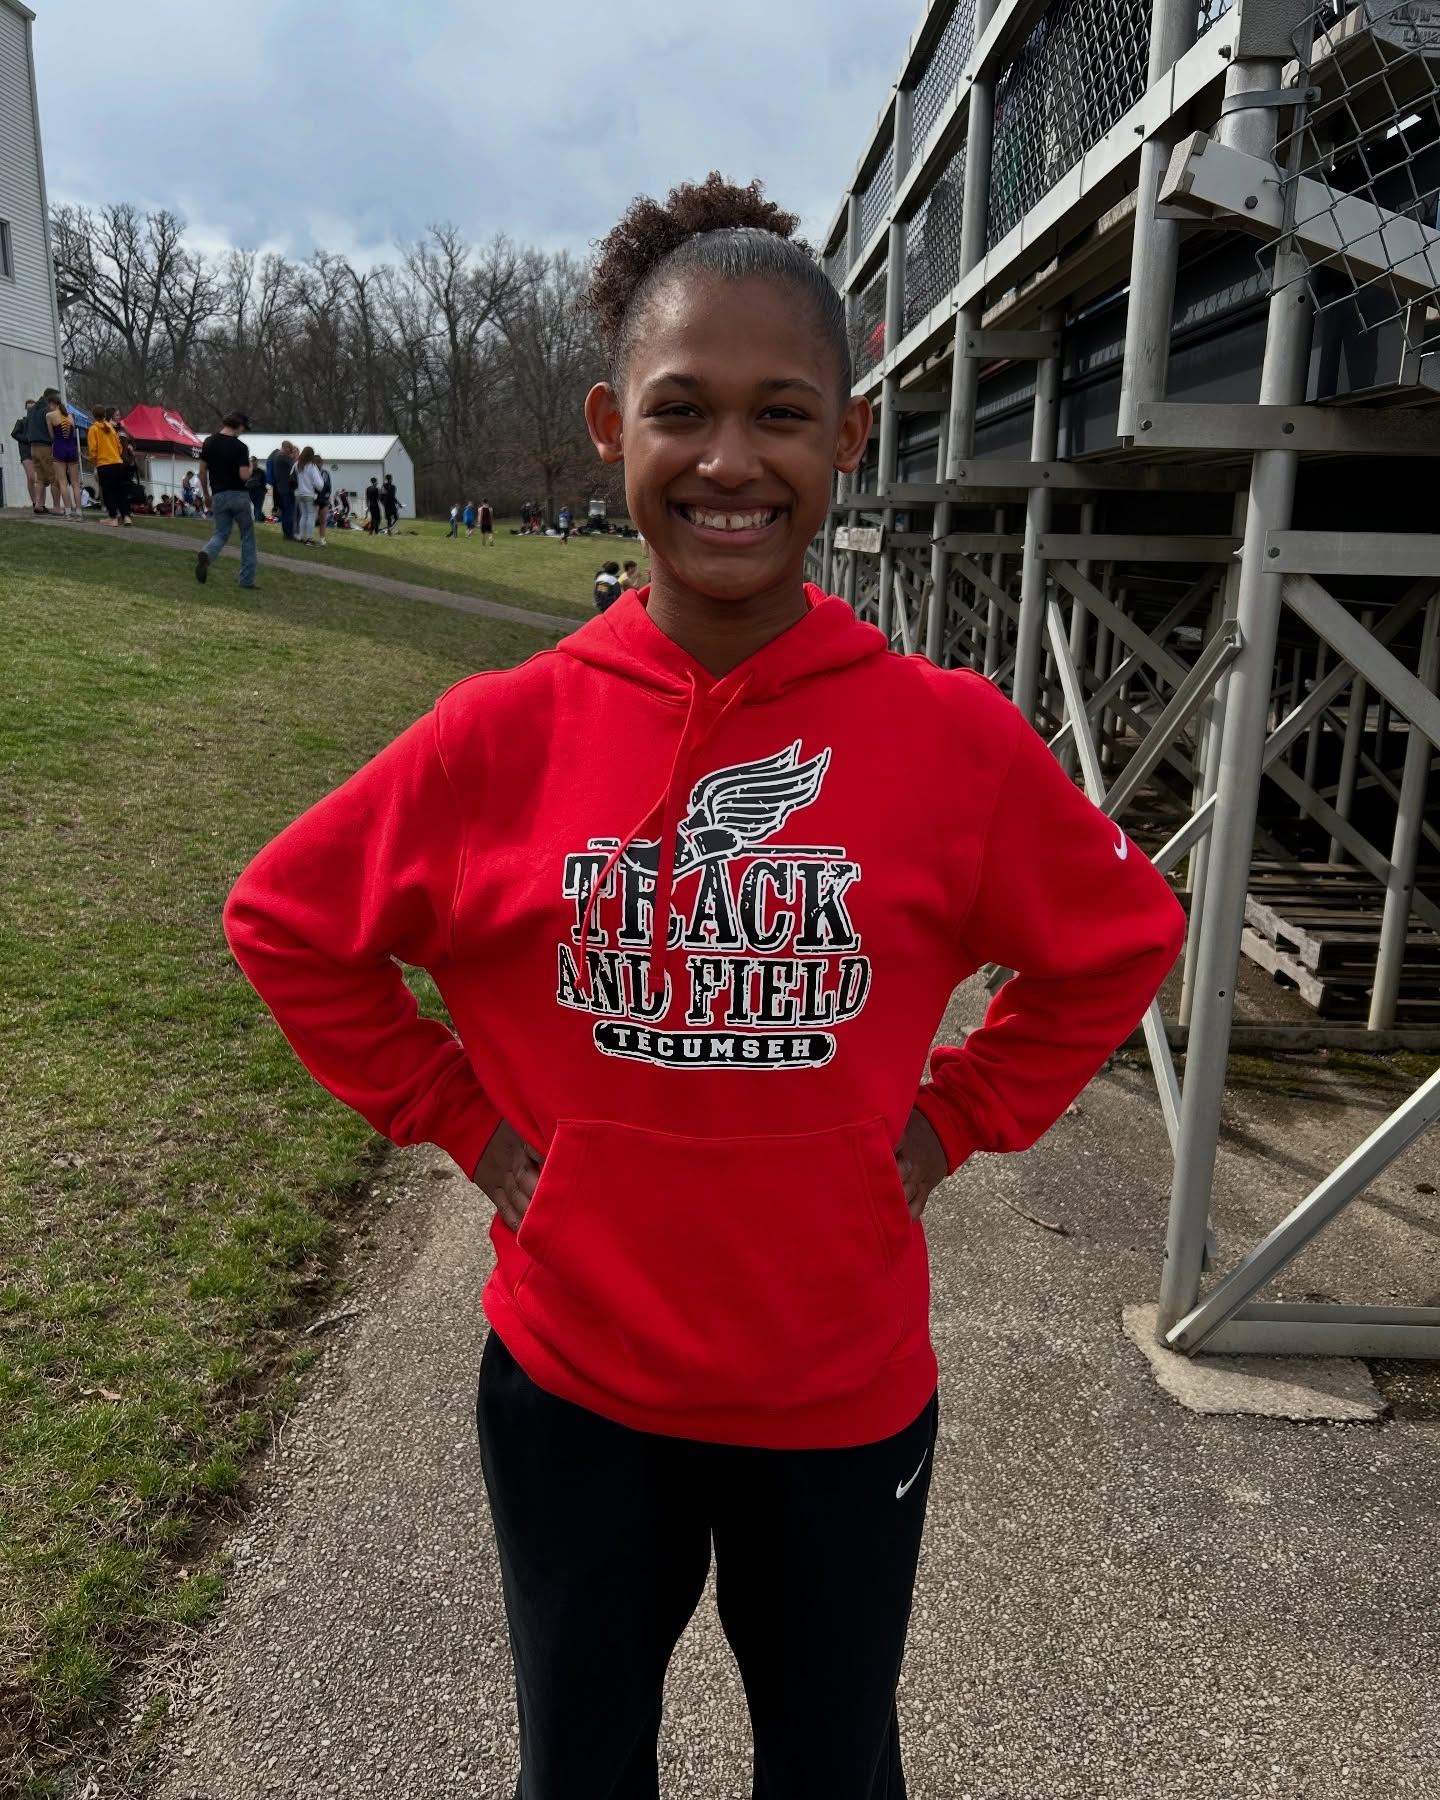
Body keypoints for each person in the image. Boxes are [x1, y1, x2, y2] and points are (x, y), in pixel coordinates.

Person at [220, 173, 1186, 1800]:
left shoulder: (948, 739)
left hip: (838, 1395)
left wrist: (957, 1121)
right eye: (684, 411)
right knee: (579, 1768)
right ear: (613, 428)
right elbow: (287, 921)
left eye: (782, 415)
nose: (731, 461)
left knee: (831, 1767)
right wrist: (459, 1116)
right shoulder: (499, 739)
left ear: (847, 445)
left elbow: (1119, 937)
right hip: (577, 1390)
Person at [194, 411, 258, 590]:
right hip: (239, 495)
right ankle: (247, 580)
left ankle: (207, 553)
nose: (242, 432)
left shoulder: (209, 442)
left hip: (219, 495)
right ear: (238, 425)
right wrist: (251, 467)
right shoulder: (240, 447)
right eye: (243, 429)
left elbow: (201, 472)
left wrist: (207, 495)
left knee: (221, 533)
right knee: (247, 536)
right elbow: (244, 476)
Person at [87, 407, 133, 526]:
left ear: (93, 415)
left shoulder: (93, 429)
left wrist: (95, 460)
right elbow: (119, 446)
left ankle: (113, 517)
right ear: (105, 415)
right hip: (117, 462)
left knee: (108, 491)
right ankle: (126, 516)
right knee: (120, 490)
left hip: (104, 464)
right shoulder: (111, 429)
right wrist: (116, 456)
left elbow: (93, 449)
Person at [48, 396, 83, 518]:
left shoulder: (50, 415)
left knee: (63, 483)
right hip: (71, 449)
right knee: (75, 483)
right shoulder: (70, 416)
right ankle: (79, 512)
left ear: (52, 403)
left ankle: (68, 511)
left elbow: (52, 436)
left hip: (59, 448)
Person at [294, 447, 325, 544]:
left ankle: (302, 536)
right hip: (309, 494)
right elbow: (319, 484)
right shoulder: (312, 467)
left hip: (299, 493)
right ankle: (309, 538)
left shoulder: (297, 465)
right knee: (311, 515)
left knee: (303, 515)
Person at [271, 441, 298, 539]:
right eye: (289, 449)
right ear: (286, 448)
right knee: (288, 511)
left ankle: (287, 533)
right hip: (287, 488)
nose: (290, 451)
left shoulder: (276, 456)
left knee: (286, 511)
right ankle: (288, 534)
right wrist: (294, 455)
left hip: (281, 488)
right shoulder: (283, 457)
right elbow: (295, 466)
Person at [245, 456, 268, 523]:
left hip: (258, 491)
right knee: (257, 509)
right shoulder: (260, 471)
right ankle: (258, 521)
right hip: (253, 491)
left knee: (257, 509)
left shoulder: (260, 471)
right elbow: (264, 482)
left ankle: (257, 521)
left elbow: (264, 482)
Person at [315, 457, 332, 545]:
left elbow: (329, 487)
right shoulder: (312, 472)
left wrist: (327, 496)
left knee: (323, 520)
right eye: (317, 462)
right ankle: (308, 537)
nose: (319, 464)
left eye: (320, 462)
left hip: (323, 500)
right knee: (313, 519)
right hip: (315, 499)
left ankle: (322, 538)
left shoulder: (325, 473)